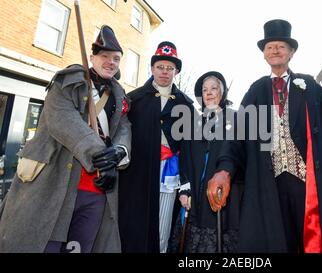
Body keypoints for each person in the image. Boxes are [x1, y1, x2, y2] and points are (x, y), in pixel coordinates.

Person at [206, 19, 322, 253]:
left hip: (309, 189)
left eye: (281, 46)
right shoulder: (255, 91)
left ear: (291, 52)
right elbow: (237, 136)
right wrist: (224, 170)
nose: (275, 50)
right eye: (269, 46)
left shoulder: (311, 88)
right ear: (264, 54)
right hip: (268, 189)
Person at [0, 25, 131, 253]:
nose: (111, 62)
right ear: (92, 58)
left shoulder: (119, 96)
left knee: (80, 247)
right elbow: (62, 120)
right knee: (44, 245)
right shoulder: (68, 81)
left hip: (97, 188)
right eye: (105, 56)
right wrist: (103, 157)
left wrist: (119, 152)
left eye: (116, 59)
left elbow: (124, 129)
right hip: (55, 183)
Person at [119, 41, 194, 253]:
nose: (164, 72)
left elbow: (188, 147)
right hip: (136, 174)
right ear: (152, 68)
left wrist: (186, 183)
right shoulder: (134, 99)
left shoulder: (185, 104)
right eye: (160, 67)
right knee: (133, 227)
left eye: (170, 68)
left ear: (176, 71)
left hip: (168, 174)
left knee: (161, 230)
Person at [170, 71, 244, 253]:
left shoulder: (235, 119)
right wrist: (184, 189)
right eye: (204, 90)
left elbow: (240, 154)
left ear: (222, 92)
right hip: (195, 194)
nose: (209, 92)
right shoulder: (192, 122)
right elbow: (185, 158)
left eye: (214, 88)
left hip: (225, 197)